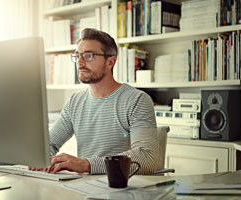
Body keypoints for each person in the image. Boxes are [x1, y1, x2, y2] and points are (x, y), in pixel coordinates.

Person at [33, 28, 158, 175]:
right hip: (84, 187)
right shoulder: (74, 102)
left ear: (110, 62)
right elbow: (49, 144)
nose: (79, 62)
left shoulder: (137, 100)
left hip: (122, 188)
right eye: (77, 56)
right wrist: (39, 159)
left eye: (89, 56)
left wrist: (87, 164)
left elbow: (147, 157)